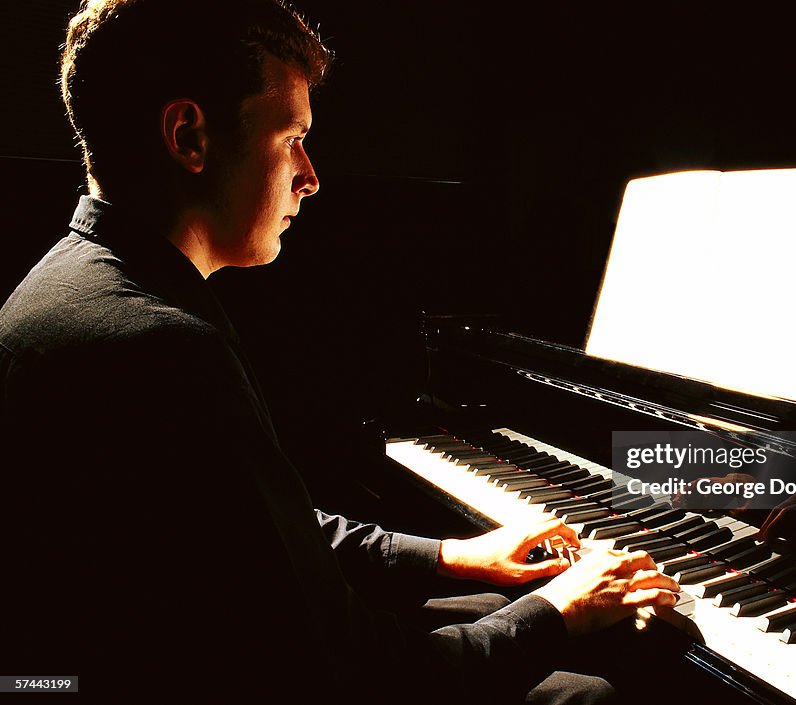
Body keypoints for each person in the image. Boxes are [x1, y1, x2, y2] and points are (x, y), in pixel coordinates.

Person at [0, 1, 679, 702]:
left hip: (120, 662)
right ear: (189, 136)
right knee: (586, 685)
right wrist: (559, 611)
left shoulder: (73, 282)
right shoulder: (155, 347)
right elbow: (361, 678)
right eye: (292, 136)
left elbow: (258, 532)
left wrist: (451, 554)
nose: (311, 174)